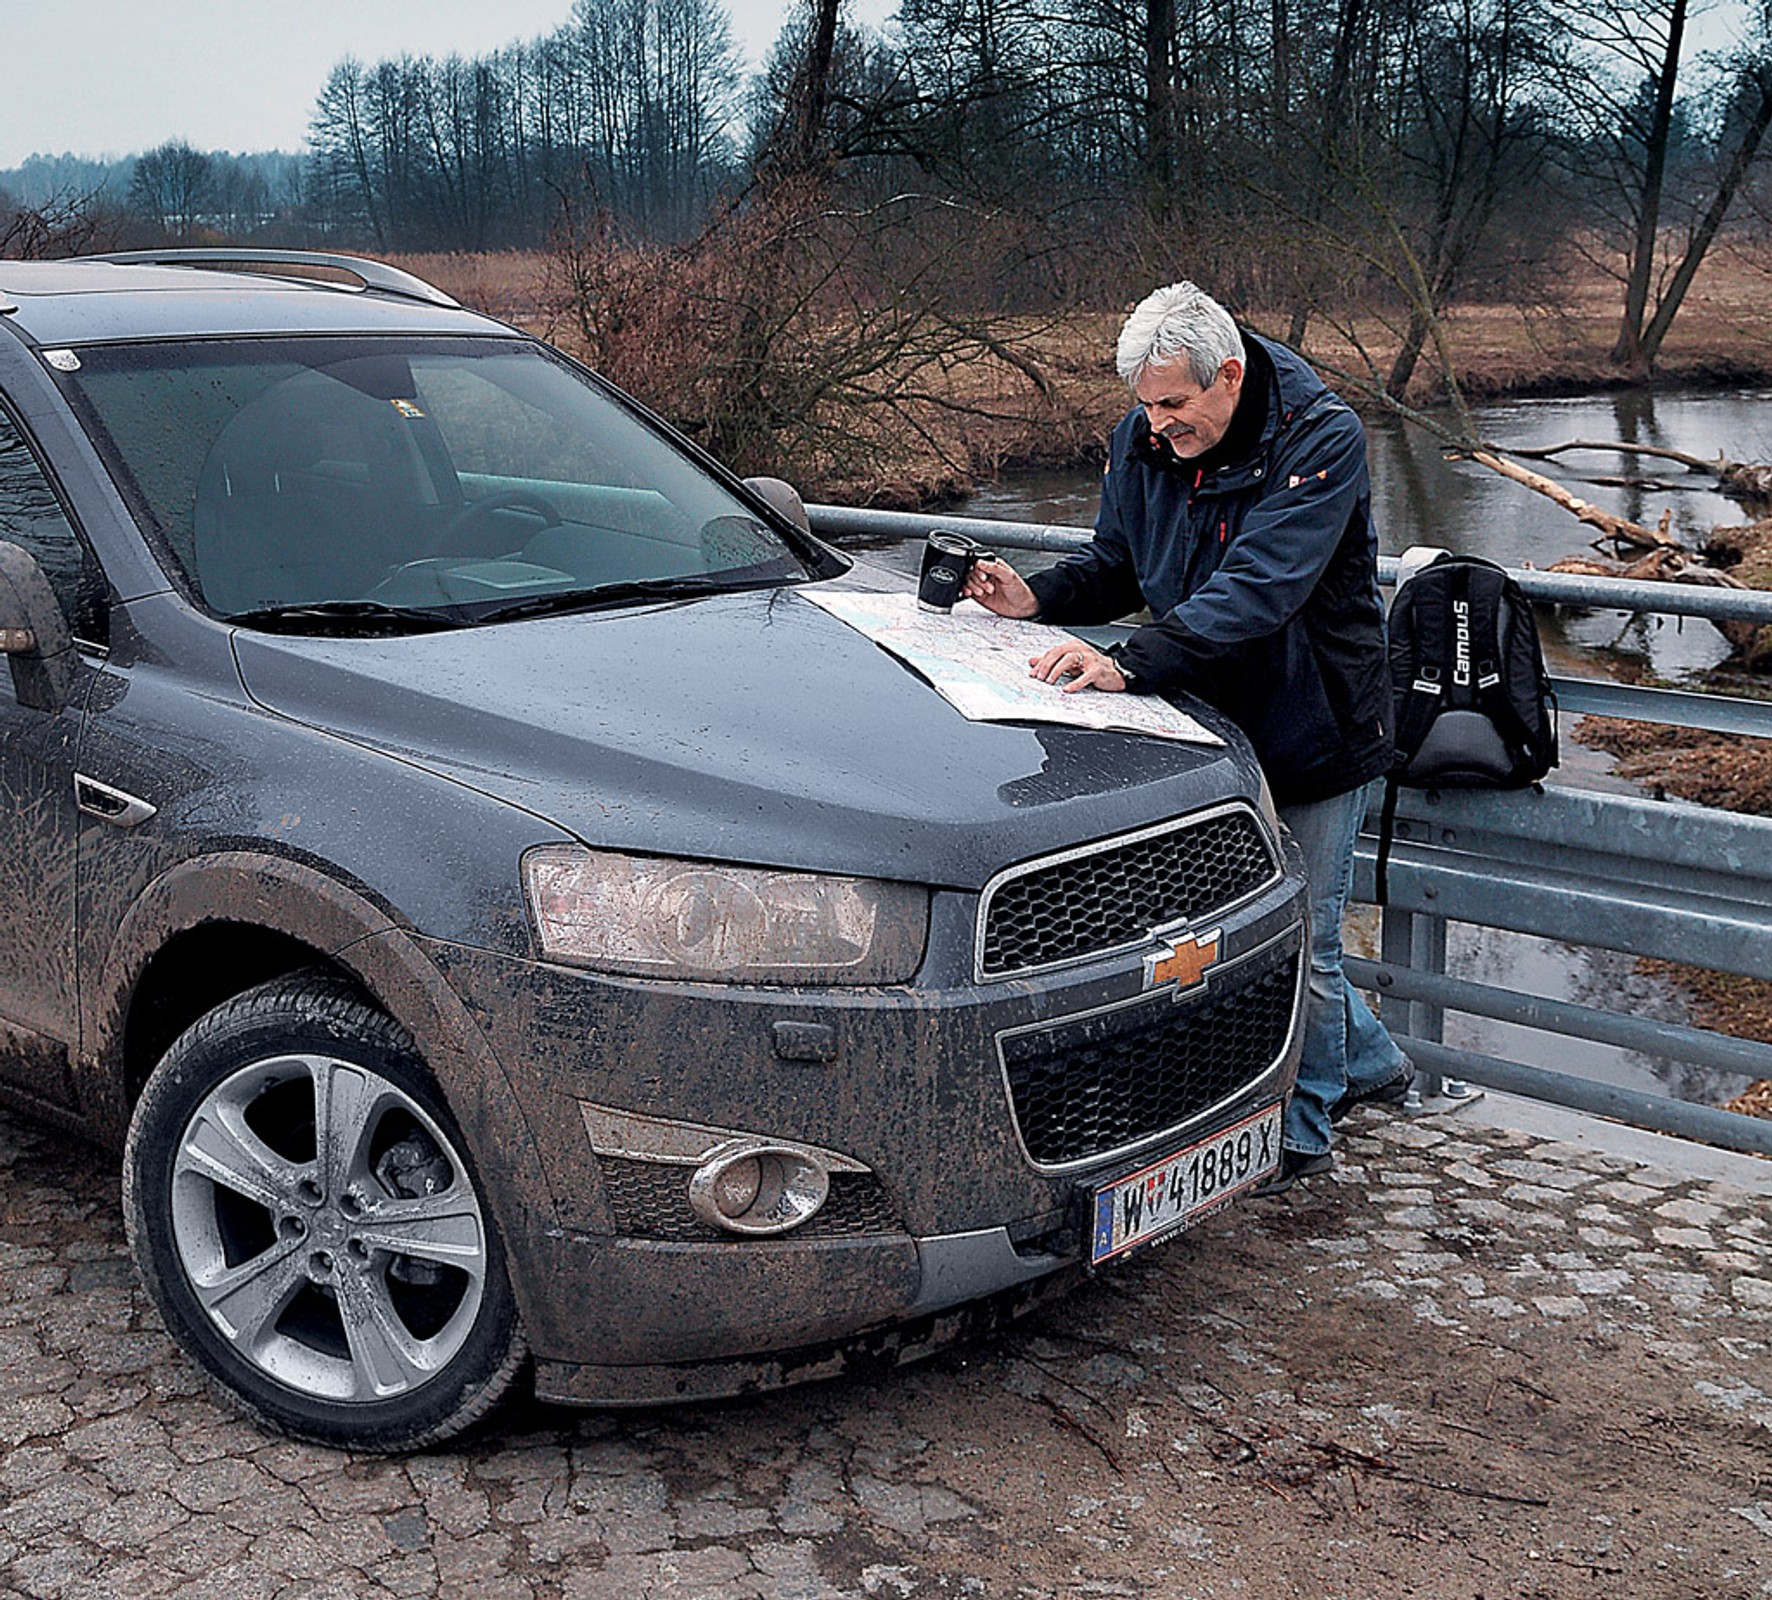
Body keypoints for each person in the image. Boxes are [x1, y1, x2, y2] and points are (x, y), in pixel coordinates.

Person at [962, 280, 1411, 1194]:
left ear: (1231, 377)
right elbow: (1118, 564)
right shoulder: (1146, 438)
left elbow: (1261, 584)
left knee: (1307, 938)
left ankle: (1308, 1123)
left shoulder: (1321, 437)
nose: (1157, 426)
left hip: (1315, 722)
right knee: (1246, 931)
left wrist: (1132, 663)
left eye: (1173, 405)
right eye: (1144, 407)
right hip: (1206, 725)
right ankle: (1375, 1064)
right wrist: (1038, 596)